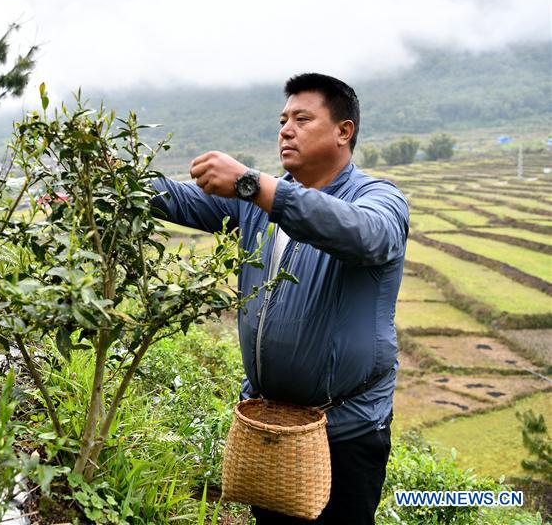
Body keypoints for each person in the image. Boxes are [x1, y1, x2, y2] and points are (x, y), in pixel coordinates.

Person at [152, 73, 409, 524]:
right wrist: (111, 175)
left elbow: (367, 236)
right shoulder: (258, 203)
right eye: (282, 119)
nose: (286, 129)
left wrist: (257, 185)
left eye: (302, 118)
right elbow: (179, 200)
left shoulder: (377, 198)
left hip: (344, 434)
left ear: (343, 132)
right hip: (270, 425)